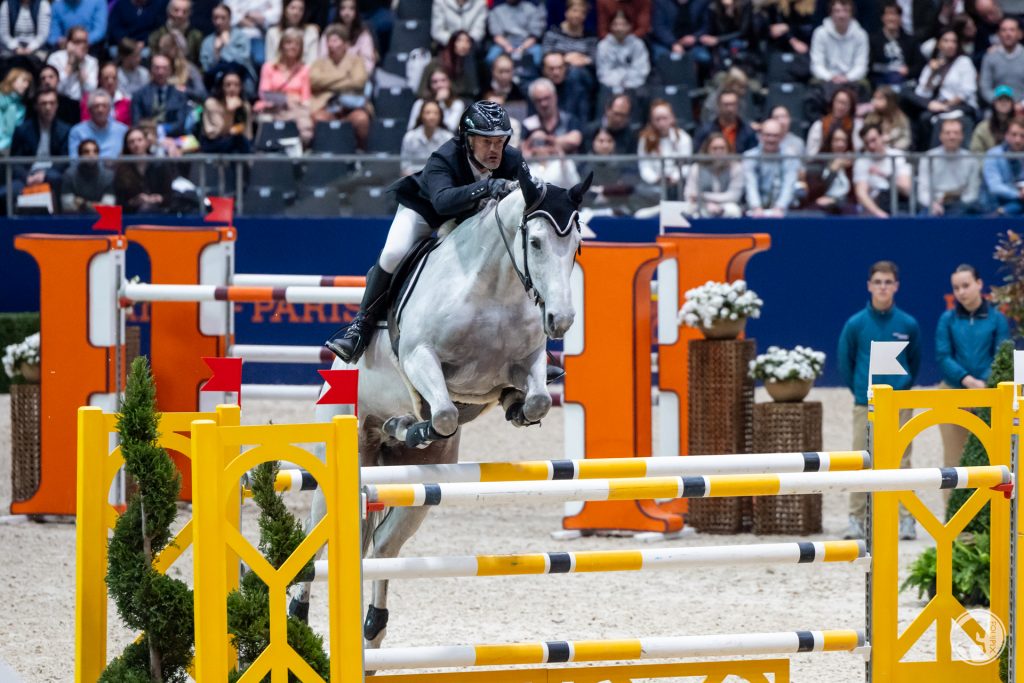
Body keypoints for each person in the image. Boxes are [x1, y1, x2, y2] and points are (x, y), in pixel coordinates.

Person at [325, 100, 528, 364]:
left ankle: (531, 348)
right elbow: (442, 202)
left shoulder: (511, 159)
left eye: (500, 141)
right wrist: (488, 187)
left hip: (470, 218)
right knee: (393, 253)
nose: (494, 150)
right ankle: (360, 328)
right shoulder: (444, 157)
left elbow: (528, 197)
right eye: (486, 142)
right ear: (468, 140)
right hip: (425, 210)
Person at [838, 260, 920, 540]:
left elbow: (915, 361)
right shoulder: (855, 324)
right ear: (869, 286)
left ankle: (907, 520)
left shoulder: (908, 323)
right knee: (860, 460)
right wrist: (861, 391)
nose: (883, 287)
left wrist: (902, 387)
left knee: (902, 461)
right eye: (878, 282)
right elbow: (845, 362)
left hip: (899, 403)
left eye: (888, 282)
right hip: (865, 403)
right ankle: (856, 519)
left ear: (896, 286)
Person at [935, 264, 1009, 479]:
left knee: (991, 460)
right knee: (953, 462)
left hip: (989, 394)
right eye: (956, 288)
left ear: (979, 284)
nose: (961, 292)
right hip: (952, 392)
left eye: (966, 285)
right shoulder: (946, 320)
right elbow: (943, 356)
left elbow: (1001, 355)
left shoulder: (998, 319)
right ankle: (953, 513)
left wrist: (983, 384)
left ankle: (986, 512)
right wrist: (967, 381)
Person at [908, 28, 978, 148]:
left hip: (961, 106)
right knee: (922, 118)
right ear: (939, 44)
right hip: (938, 106)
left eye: (953, 41)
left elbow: (967, 91)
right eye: (946, 41)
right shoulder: (934, 64)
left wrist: (946, 106)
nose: (950, 45)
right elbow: (922, 93)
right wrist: (933, 73)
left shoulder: (964, 62)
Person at [309, 23, 370, 147]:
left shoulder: (356, 61)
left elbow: (359, 82)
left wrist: (326, 84)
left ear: (345, 43)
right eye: (329, 41)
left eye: (335, 41)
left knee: (361, 119)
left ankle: (361, 154)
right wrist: (344, 76)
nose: (331, 45)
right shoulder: (319, 62)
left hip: (351, 108)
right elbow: (314, 81)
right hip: (326, 106)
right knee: (318, 118)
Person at [255, 27, 313, 144]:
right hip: (273, 108)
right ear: (281, 46)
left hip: (296, 109)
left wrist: (294, 101)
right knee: (265, 121)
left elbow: (305, 97)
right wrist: (286, 98)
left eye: (297, 44)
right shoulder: (268, 67)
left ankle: (299, 158)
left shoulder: (304, 69)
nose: (293, 47)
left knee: (306, 127)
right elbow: (264, 94)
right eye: (289, 43)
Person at [10, 87, 69, 194]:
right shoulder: (23, 130)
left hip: (52, 173)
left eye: (52, 103)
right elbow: (15, 161)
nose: (48, 107)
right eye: (43, 103)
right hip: (27, 174)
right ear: (36, 106)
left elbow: (64, 161)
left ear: (57, 105)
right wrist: (26, 177)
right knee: (10, 191)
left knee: (57, 179)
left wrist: (44, 174)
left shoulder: (65, 130)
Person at [918, 118, 981, 215]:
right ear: (940, 136)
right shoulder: (928, 158)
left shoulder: (971, 159)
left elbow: (972, 192)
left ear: (962, 136)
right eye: (947, 133)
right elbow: (923, 191)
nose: (952, 137)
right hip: (934, 203)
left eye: (956, 133)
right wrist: (933, 204)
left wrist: (961, 203)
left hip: (962, 205)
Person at [809, 0, 869, 98]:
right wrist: (830, 77)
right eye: (837, 11)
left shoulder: (861, 35)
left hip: (852, 81)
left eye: (845, 11)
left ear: (851, 14)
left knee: (864, 87)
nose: (841, 15)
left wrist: (847, 78)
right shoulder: (820, 33)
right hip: (826, 80)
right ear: (831, 13)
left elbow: (861, 65)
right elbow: (816, 64)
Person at [742, 118, 800, 216]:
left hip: (783, 210)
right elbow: (750, 184)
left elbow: (789, 184)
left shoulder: (790, 156)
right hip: (755, 210)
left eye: (775, 136)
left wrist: (780, 207)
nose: (771, 139)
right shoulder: (749, 156)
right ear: (760, 136)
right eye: (767, 135)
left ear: (781, 137)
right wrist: (756, 207)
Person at [853, 122, 911, 217]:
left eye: (873, 140)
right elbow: (861, 194)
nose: (871, 146)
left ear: (882, 137)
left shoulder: (898, 156)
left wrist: (883, 175)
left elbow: (906, 189)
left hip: (899, 205)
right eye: (867, 143)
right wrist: (880, 214)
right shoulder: (861, 162)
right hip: (875, 211)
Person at [114, 126, 176, 213]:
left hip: (159, 210)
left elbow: (170, 195)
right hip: (132, 213)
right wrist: (134, 201)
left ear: (146, 143)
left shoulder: (160, 164)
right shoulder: (122, 170)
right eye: (131, 142)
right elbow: (119, 201)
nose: (136, 144)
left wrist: (159, 198)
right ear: (127, 146)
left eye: (139, 140)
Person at [682, 131, 743, 217]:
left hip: (726, 204)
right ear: (707, 150)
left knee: (733, 210)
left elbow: (734, 196)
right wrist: (706, 204)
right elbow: (689, 194)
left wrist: (704, 196)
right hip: (701, 205)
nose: (718, 152)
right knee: (690, 212)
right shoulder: (696, 168)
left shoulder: (736, 167)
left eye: (722, 148)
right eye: (714, 148)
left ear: (728, 149)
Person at [637, 99, 692, 194]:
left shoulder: (683, 138)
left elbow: (686, 165)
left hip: (678, 183)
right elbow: (644, 166)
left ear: (672, 118)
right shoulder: (645, 139)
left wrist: (674, 177)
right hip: (653, 184)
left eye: (665, 118)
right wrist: (655, 179)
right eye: (657, 119)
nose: (661, 123)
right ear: (652, 121)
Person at [132, 55, 192, 137]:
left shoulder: (179, 95)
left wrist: (161, 131)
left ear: (170, 71)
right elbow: (136, 122)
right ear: (150, 70)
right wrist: (153, 133)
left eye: (165, 68)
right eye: (157, 68)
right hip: (146, 138)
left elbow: (180, 124)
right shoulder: (139, 95)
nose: (160, 72)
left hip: (172, 138)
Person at [521, 77, 582, 154]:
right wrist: (531, 140)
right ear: (533, 102)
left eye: (547, 98)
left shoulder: (569, 119)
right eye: (539, 100)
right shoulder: (528, 124)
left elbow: (575, 140)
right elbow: (523, 151)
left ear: (555, 97)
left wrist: (546, 139)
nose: (543, 104)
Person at [803, 125, 856, 213]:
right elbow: (814, 192)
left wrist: (836, 201)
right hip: (820, 203)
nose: (841, 144)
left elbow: (854, 196)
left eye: (844, 141)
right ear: (830, 142)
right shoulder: (818, 162)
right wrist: (833, 170)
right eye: (836, 140)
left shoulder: (851, 165)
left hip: (844, 204)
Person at [868, 2, 921, 87]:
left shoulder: (910, 41)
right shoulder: (873, 40)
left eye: (895, 15)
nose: (892, 18)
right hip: (881, 82)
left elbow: (919, 65)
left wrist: (908, 71)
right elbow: (871, 66)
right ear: (883, 18)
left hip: (904, 82)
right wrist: (890, 69)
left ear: (900, 18)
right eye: (889, 14)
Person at [200, 67, 252, 153]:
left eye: (236, 85)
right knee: (236, 140)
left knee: (242, 142)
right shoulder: (211, 103)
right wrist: (230, 112)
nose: (232, 89)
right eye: (228, 85)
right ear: (221, 87)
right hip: (213, 143)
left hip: (237, 143)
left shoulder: (244, 105)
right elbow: (217, 132)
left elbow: (248, 134)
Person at [595, 10, 650, 90]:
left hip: (634, 86)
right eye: (616, 24)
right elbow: (603, 73)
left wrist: (628, 84)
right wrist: (618, 83)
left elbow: (642, 70)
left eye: (623, 25)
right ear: (610, 26)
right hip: (609, 86)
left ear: (630, 26)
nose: (619, 28)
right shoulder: (603, 46)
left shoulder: (638, 44)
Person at [485, 0, 546, 70]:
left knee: (538, 59)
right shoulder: (496, 10)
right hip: (504, 44)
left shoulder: (532, 9)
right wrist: (507, 46)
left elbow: (534, 36)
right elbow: (496, 35)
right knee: (490, 58)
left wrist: (521, 48)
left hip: (527, 45)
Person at [419, 31, 479, 101]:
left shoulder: (472, 64)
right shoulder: (435, 63)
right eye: (459, 40)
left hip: (460, 101)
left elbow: (472, 90)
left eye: (467, 41)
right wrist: (434, 96)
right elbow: (421, 91)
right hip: (435, 100)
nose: (463, 45)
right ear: (452, 43)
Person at [981, 116, 1024, 215]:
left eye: (1022, 136)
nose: (1018, 140)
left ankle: (1005, 211)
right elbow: (995, 187)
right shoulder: (993, 154)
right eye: (1014, 135)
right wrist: (1018, 194)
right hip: (996, 201)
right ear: (1006, 135)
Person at [693, 88, 757, 152]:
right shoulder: (705, 130)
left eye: (733, 104)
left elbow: (752, 155)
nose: (730, 109)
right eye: (726, 105)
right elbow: (698, 154)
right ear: (718, 105)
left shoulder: (748, 131)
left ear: (738, 105)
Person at [69, 91, 129, 158]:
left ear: (109, 109)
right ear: (89, 110)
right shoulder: (77, 131)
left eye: (104, 106)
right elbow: (74, 161)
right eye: (96, 106)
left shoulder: (123, 130)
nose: (100, 110)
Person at [539, 50, 592, 127]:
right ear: (544, 70)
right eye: (551, 69)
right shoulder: (537, 90)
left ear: (566, 68)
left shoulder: (577, 90)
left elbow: (583, 119)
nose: (556, 72)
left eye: (560, 67)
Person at [200, 4, 255, 77]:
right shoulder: (207, 42)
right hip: (217, 80)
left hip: (240, 77)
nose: (219, 22)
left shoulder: (241, 37)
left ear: (230, 19)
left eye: (223, 18)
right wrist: (216, 52)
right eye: (215, 18)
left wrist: (228, 45)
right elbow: (206, 67)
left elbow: (243, 60)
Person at [401, 100, 453, 175]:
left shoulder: (448, 137)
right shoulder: (410, 137)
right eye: (428, 113)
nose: (431, 117)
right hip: (415, 180)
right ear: (421, 115)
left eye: (435, 113)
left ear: (440, 116)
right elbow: (405, 166)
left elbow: (450, 165)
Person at [979, 17, 1024, 106]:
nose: (1008, 34)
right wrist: (999, 104)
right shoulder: (990, 56)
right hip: (996, 107)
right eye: (1004, 30)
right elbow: (984, 87)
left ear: (1020, 34)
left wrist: (1021, 105)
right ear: (999, 34)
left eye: (1012, 30)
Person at [60, 138, 113, 212]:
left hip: (101, 218)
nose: (91, 155)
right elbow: (67, 206)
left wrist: (83, 203)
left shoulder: (108, 175)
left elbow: (108, 207)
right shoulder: (69, 174)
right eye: (86, 152)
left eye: (95, 151)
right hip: (76, 218)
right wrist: (96, 205)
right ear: (80, 155)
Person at [45, 25, 96, 101]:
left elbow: (91, 90)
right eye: (78, 42)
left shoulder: (92, 61)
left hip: (82, 104)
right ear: (69, 43)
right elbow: (57, 88)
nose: (82, 45)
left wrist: (81, 64)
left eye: (84, 41)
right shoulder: (55, 58)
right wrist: (70, 63)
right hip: (60, 101)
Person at [805, 87, 862, 155]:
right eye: (838, 102)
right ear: (832, 102)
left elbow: (859, 151)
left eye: (845, 103)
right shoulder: (819, 125)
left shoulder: (857, 125)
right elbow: (811, 154)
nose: (840, 107)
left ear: (851, 106)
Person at [408, 67, 465, 133]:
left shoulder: (457, 104)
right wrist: (436, 101)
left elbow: (450, 128)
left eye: (443, 80)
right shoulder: (419, 103)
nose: (439, 85)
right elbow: (411, 128)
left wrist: (439, 102)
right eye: (435, 82)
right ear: (430, 85)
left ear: (449, 82)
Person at [148, 0, 204, 64]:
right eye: (176, 10)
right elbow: (152, 61)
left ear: (190, 13)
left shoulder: (196, 36)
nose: (180, 15)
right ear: (168, 11)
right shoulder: (157, 35)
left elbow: (199, 63)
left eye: (185, 12)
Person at [266, 0, 319, 65]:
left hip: (304, 72)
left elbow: (312, 63)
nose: (296, 12)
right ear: (285, 10)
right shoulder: (272, 33)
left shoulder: (311, 33)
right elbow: (270, 62)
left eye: (300, 9)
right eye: (293, 8)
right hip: (279, 72)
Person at [862, 86, 911, 150]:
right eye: (875, 98)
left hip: (896, 152)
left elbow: (905, 138)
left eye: (880, 98)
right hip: (875, 152)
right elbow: (866, 137)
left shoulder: (900, 117)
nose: (875, 101)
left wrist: (891, 142)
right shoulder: (870, 117)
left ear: (890, 100)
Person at [971, 85, 1016, 153]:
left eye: (1007, 100)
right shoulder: (983, 128)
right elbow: (976, 152)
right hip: (988, 162)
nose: (1003, 102)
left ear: (1012, 104)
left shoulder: (1020, 127)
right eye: (1000, 99)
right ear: (994, 103)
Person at [0, 67, 31, 152]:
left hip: (8, 150)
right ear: (12, 80)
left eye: (28, 82)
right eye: (24, 81)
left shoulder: (21, 108)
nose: (26, 85)